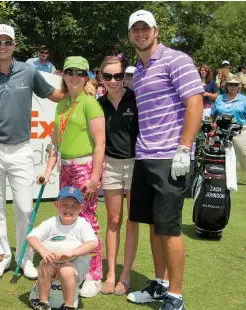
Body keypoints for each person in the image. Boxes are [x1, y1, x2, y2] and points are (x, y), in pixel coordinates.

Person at [0, 24, 65, 280]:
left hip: (22, 148)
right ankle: (3, 256)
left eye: (7, 42)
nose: (3, 46)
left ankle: (26, 258)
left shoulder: (28, 71)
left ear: (14, 46)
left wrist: (78, 90)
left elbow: (54, 95)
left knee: (24, 208)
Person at [125, 10, 204, 310]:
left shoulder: (176, 60)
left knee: (169, 228)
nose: (141, 34)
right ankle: (159, 284)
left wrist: (184, 148)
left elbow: (195, 103)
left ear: (156, 31)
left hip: (171, 157)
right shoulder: (140, 70)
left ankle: (177, 295)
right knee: (153, 225)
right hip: (145, 156)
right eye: (136, 30)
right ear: (130, 35)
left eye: (146, 28)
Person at [37, 56, 105, 298]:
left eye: (79, 72)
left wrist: (95, 177)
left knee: (88, 220)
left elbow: (100, 144)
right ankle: (73, 269)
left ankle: (94, 275)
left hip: (85, 168)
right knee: (68, 219)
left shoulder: (90, 103)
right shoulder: (62, 104)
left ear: (86, 77)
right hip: (65, 168)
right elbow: (56, 143)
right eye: (69, 72)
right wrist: (47, 171)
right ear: (63, 75)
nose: (74, 76)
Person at [98, 56, 139, 296]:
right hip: (110, 165)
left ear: (124, 76)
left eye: (118, 76)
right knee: (113, 220)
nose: (113, 81)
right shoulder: (99, 104)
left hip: (135, 164)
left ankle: (125, 275)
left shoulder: (136, 99)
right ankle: (111, 273)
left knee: (133, 220)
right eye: (108, 76)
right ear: (100, 78)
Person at [27, 186, 99, 310]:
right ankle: (43, 302)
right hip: (54, 262)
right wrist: (43, 251)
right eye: (64, 204)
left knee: (66, 270)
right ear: (57, 205)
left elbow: (93, 243)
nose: (68, 209)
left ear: (81, 208)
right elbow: (31, 237)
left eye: (73, 206)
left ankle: (69, 305)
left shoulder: (82, 224)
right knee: (45, 267)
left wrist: (72, 253)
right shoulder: (51, 222)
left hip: (76, 265)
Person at [210, 75, 246, 172]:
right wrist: (211, 125)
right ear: (226, 86)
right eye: (230, 84)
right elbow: (213, 114)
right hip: (220, 130)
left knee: (244, 155)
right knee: (219, 156)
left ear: (239, 86)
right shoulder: (219, 98)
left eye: (235, 84)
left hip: (240, 131)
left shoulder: (244, 100)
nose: (233, 86)